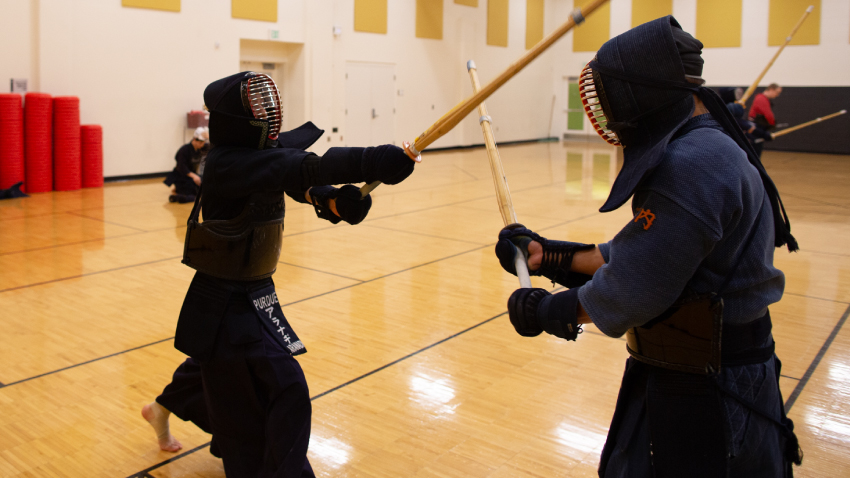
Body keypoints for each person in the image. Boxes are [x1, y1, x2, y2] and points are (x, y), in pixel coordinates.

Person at [495, 17, 802, 477]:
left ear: (640, 95)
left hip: (710, 388)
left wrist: (546, 311)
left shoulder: (694, 163)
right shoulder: (705, 145)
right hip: (707, 371)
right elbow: (641, 252)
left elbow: (633, 288)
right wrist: (549, 256)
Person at [144, 71, 416, 477]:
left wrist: (333, 202)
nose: (270, 115)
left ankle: (160, 409)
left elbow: (292, 179)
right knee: (278, 389)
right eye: (259, 107)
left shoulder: (256, 156)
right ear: (238, 118)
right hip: (223, 298)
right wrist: (374, 160)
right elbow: (299, 167)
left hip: (254, 293)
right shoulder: (225, 163)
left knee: (217, 370)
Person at [164, 126, 209, 203]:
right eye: (201, 142)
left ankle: (180, 193)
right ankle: (178, 194)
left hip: (193, 175)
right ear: (194, 139)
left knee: (205, 184)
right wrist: (194, 176)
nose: (202, 145)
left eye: (203, 143)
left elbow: (213, 147)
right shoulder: (184, 150)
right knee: (193, 190)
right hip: (181, 176)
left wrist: (209, 136)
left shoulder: (201, 148)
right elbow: (181, 167)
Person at [748, 83, 782, 157]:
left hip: (758, 128)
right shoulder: (761, 98)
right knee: (755, 153)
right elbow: (768, 115)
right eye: (777, 92)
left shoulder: (762, 98)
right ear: (771, 89)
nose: (777, 95)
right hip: (756, 130)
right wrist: (772, 124)